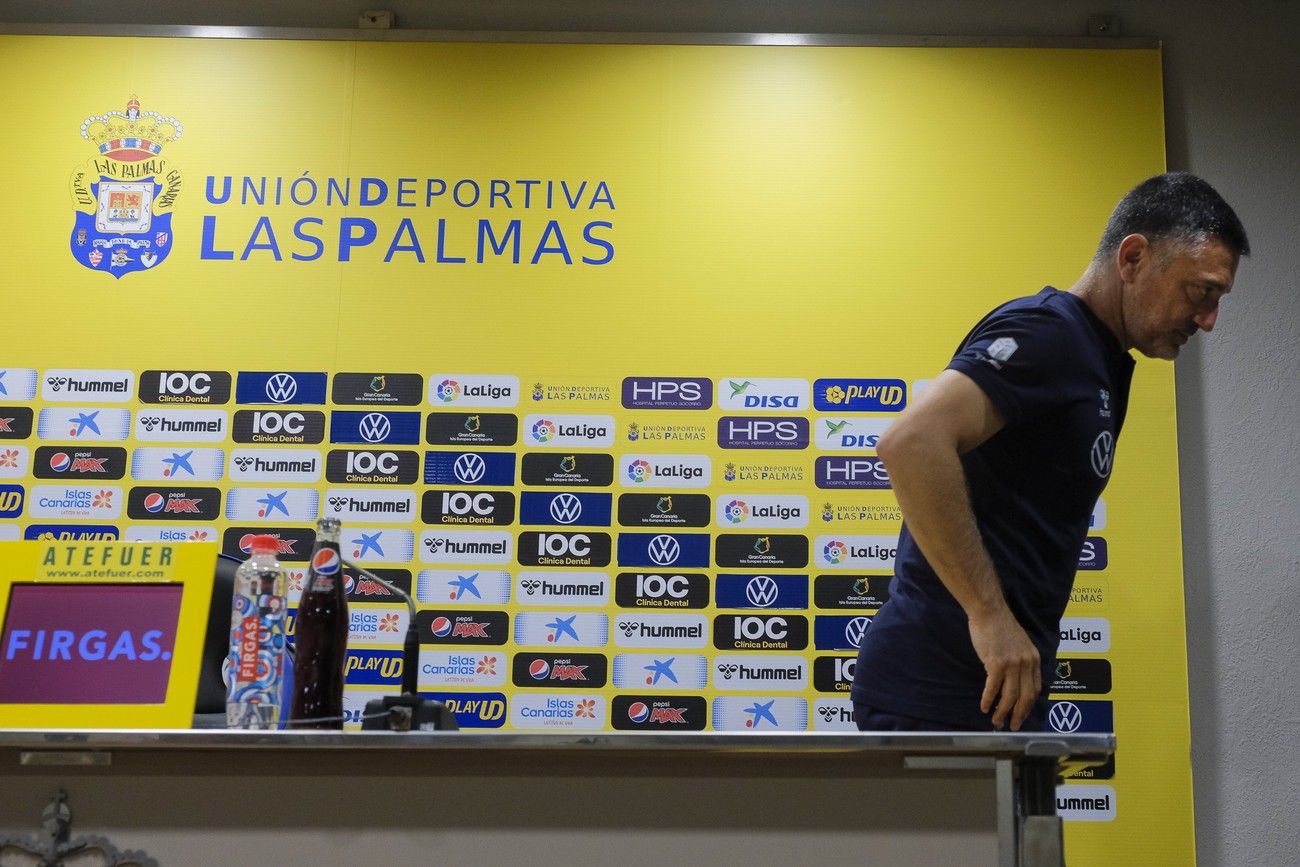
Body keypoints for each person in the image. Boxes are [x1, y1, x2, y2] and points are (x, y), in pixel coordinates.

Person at [852, 173, 1249, 732]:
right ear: (1133, 257)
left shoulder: (1101, 359)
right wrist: (989, 616)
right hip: (935, 689)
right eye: (1201, 291)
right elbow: (911, 443)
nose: (1208, 320)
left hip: (999, 691)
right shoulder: (1049, 334)